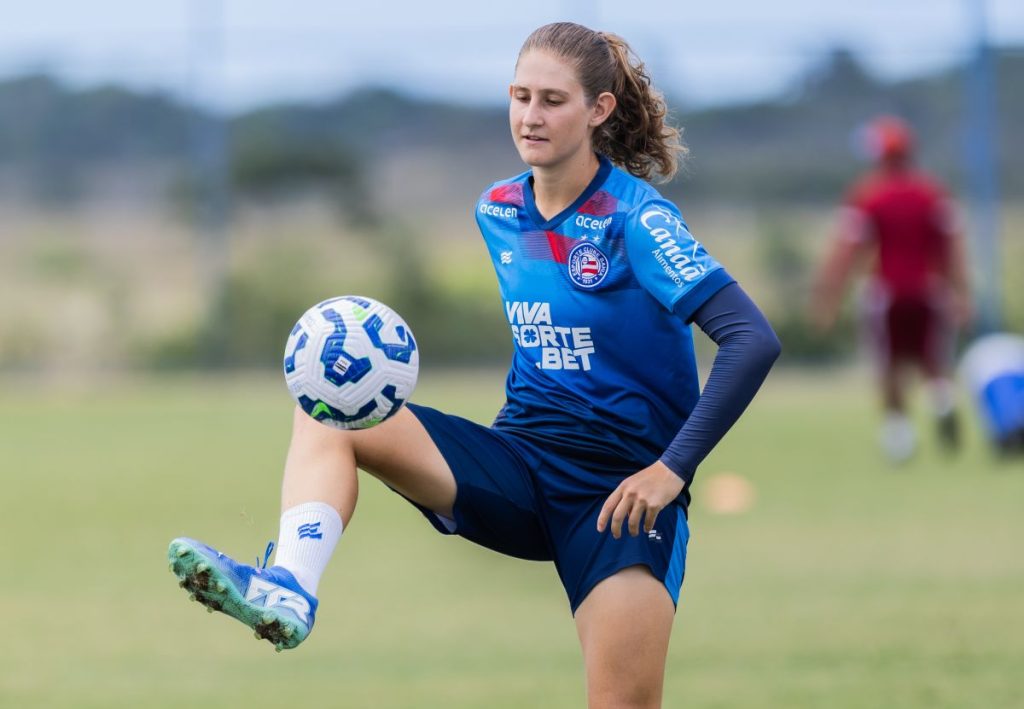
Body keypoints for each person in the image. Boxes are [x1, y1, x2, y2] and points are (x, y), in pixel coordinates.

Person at [169, 22, 780, 708]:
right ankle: (289, 584)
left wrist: (671, 470)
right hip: (519, 465)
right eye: (519, 96)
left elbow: (752, 339)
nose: (530, 116)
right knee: (328, 408)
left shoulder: (636, 220)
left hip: (621, 501)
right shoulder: (499, 208)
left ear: (598, 110)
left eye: (552, 99)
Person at [812, 115, 972, 463]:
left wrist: (830, 297)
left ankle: (898, 438)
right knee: (934, 362)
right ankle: (943, 402)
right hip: (932, 292)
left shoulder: (868, 195)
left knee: (889, 366)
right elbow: (954, 247)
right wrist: (963, 295)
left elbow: (847, 251)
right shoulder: (934, 193)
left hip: (886, 294)